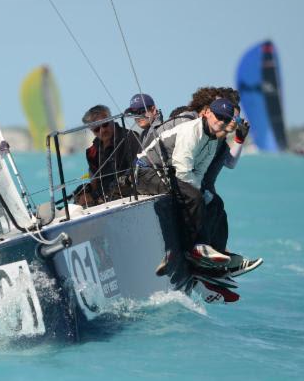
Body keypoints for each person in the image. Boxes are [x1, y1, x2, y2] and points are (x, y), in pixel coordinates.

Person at [135, 98, 236, 266]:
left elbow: (200, 172)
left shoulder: (212, 140)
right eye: (217, 116)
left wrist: (203, 193)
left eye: (225, 119)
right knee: (194, 197)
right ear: (208, 113)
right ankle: (193, 248)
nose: (220, 121)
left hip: (169, 173)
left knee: (215, 202)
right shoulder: (191, 131)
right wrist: (198, 193)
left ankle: (217, 251)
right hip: (146, 173)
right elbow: (183, 171)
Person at [74, 104, 141, 207]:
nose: (102, 130)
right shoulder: (92, 151)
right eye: (96, 129)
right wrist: (86, 193)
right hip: (103, 200)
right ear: (92, 131)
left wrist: (96, 196)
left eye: (105, 124)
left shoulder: (130, 138)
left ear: (112, 120)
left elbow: (138, 172)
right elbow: (94, 181)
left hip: (126, 196)